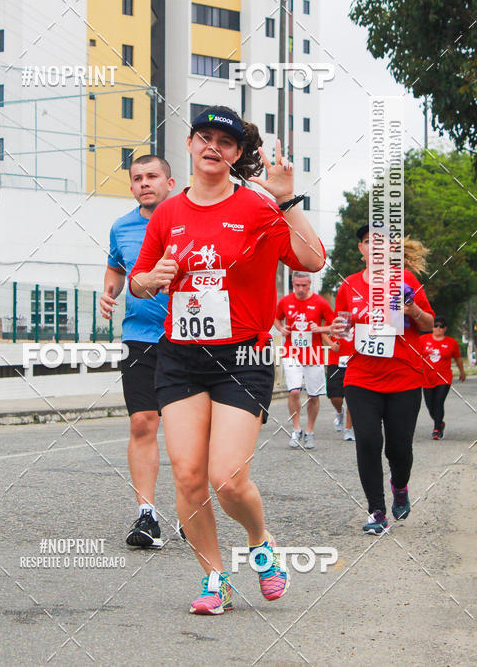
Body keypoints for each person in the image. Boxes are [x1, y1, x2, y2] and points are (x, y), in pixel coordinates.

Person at [129, 105, 325, 615]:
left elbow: (312, 259)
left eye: (226, 141)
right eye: (204, 137)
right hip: (180, 356)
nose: (212, 146)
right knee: (188, 475)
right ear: (190, 144)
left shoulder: (258, 208)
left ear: (237, 154)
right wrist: (150, 279)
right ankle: (214, 579)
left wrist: (287, 201)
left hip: (243, 355)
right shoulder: (168, 213)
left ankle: (262, 543)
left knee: (228, 478)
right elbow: (139, 280)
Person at [335, 225, 434, 535]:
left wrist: (413, 310)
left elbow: (428, 324)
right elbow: (342, 330)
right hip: (361, 377)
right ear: (361, 249)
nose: (374, 247)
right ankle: (376, 511)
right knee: (367, 441)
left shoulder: (406, 280)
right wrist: (338, 330)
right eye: (368, 241)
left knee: (399, 449)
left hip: (404, 376)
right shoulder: (348, 286)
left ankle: (400, 486)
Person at [100, 154, 175, 548]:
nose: (144, 183)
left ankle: (196, 508)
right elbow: (116, 267)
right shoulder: (122, 227)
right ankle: (147, 515)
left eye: (152, 176)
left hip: (189, 338)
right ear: (131, 187)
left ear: (170, 183)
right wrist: (109, 290)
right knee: (142, 422)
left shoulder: (189, 218)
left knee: (187, 431)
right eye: (137, 178)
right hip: (140, 336)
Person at [274, 273, 335, 449]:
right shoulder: (285, 301)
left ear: (310, 284)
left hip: (313, 354)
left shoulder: (320, 302)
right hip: (291, 351)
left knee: (313, 396)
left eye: (304, 286)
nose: (300, 289)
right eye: (297, 285)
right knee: (294, 391)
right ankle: (296, 429)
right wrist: (281, 329)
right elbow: (276, 318)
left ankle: (309, 431)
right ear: (293, 284)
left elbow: (333, 325)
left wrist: (320, 329)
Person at [420, 316, 465, 439]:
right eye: (435, 326)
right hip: (427, 378)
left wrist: (462, 372)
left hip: (443, 378)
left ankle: (437, 429)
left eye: (441, 326)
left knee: (439, 402)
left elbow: (458, 358)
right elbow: (416, 355)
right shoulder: (423, 339)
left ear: (445, 328)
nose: (438, 328)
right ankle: (440, 422)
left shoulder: (451, 342)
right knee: (430, 405)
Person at [323, 323, 355, 441]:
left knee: (352, 397)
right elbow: (324, 332)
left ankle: (348, 429)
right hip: (336, 360)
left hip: (355, 360)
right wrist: (331, 344)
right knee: (335, 396)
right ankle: (340, 411)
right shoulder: (334, 317)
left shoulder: (361, 315)